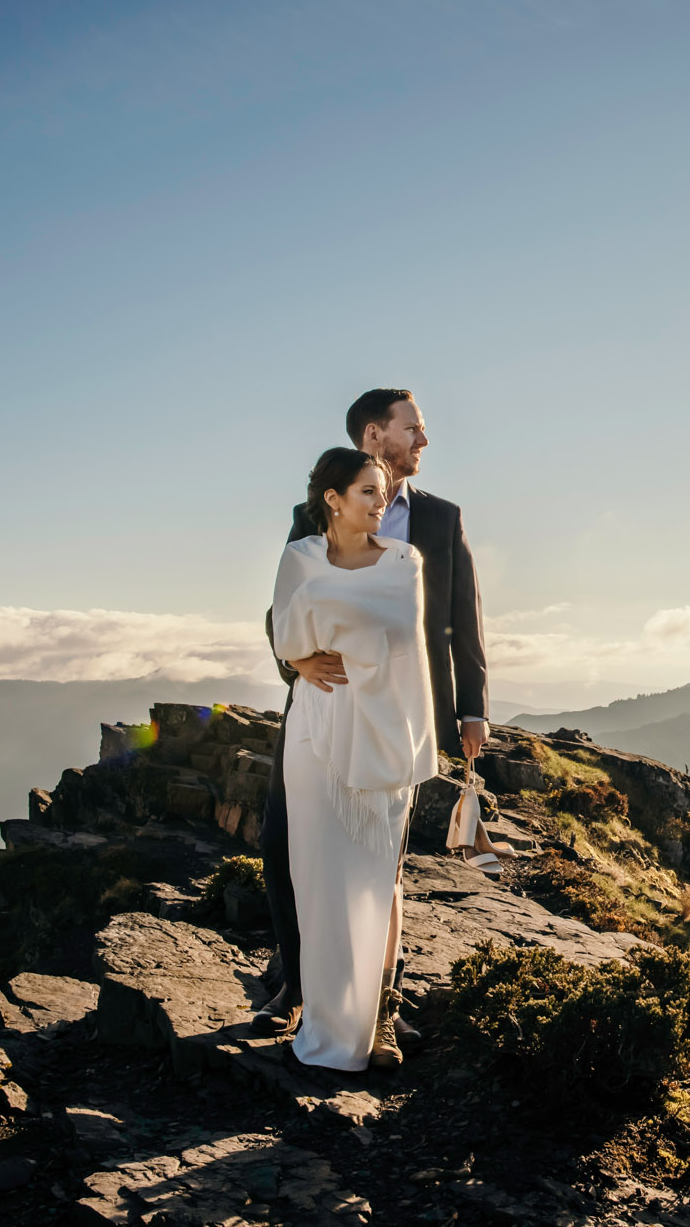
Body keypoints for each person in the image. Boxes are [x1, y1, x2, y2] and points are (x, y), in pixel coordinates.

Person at [255, 388, 492, 1035]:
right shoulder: (313, 517)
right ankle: (298, 988)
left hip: (399, 712)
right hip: (320, 707)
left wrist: (473, 710)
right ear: (372, 436)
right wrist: (297, 665)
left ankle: (381, 1005)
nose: (423, 440)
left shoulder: (440, 520)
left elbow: (461, 621)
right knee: (283, 844)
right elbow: (281, 609)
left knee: (382, 860)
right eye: (412, 428)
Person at [268, 447, 434, 1071]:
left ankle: (372, 1025)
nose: (381, 501)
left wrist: (327, 636)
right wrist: (298, 660)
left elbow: (397, 638)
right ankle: (325, 1024)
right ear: (333, 499)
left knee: (371, 881)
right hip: (316, 727)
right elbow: (286, 630)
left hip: (380, 729)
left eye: (383, 491)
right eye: (367, 491)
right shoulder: (301, 558)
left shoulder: (402, 562)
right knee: (317, 881)